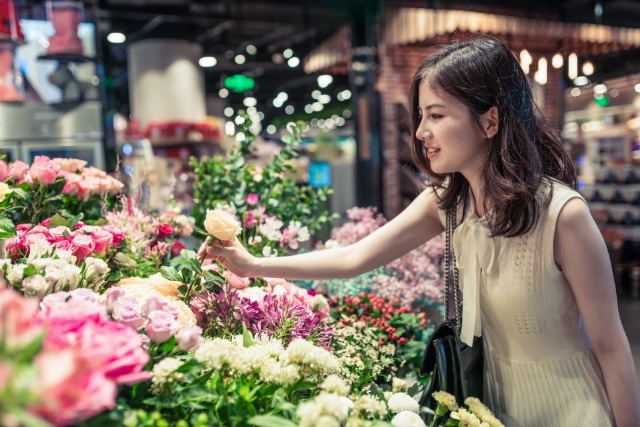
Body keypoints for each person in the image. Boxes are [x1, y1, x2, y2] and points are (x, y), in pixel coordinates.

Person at [201, 35, 640, 427]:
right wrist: (252, 264)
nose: (422, 132)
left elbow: (612, 347)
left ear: (491, 121)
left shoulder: (562, 215)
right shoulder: (448, 202)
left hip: (571, 410)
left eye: (436, 115)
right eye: (420, 115)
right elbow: (355, 258)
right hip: (488, 408)